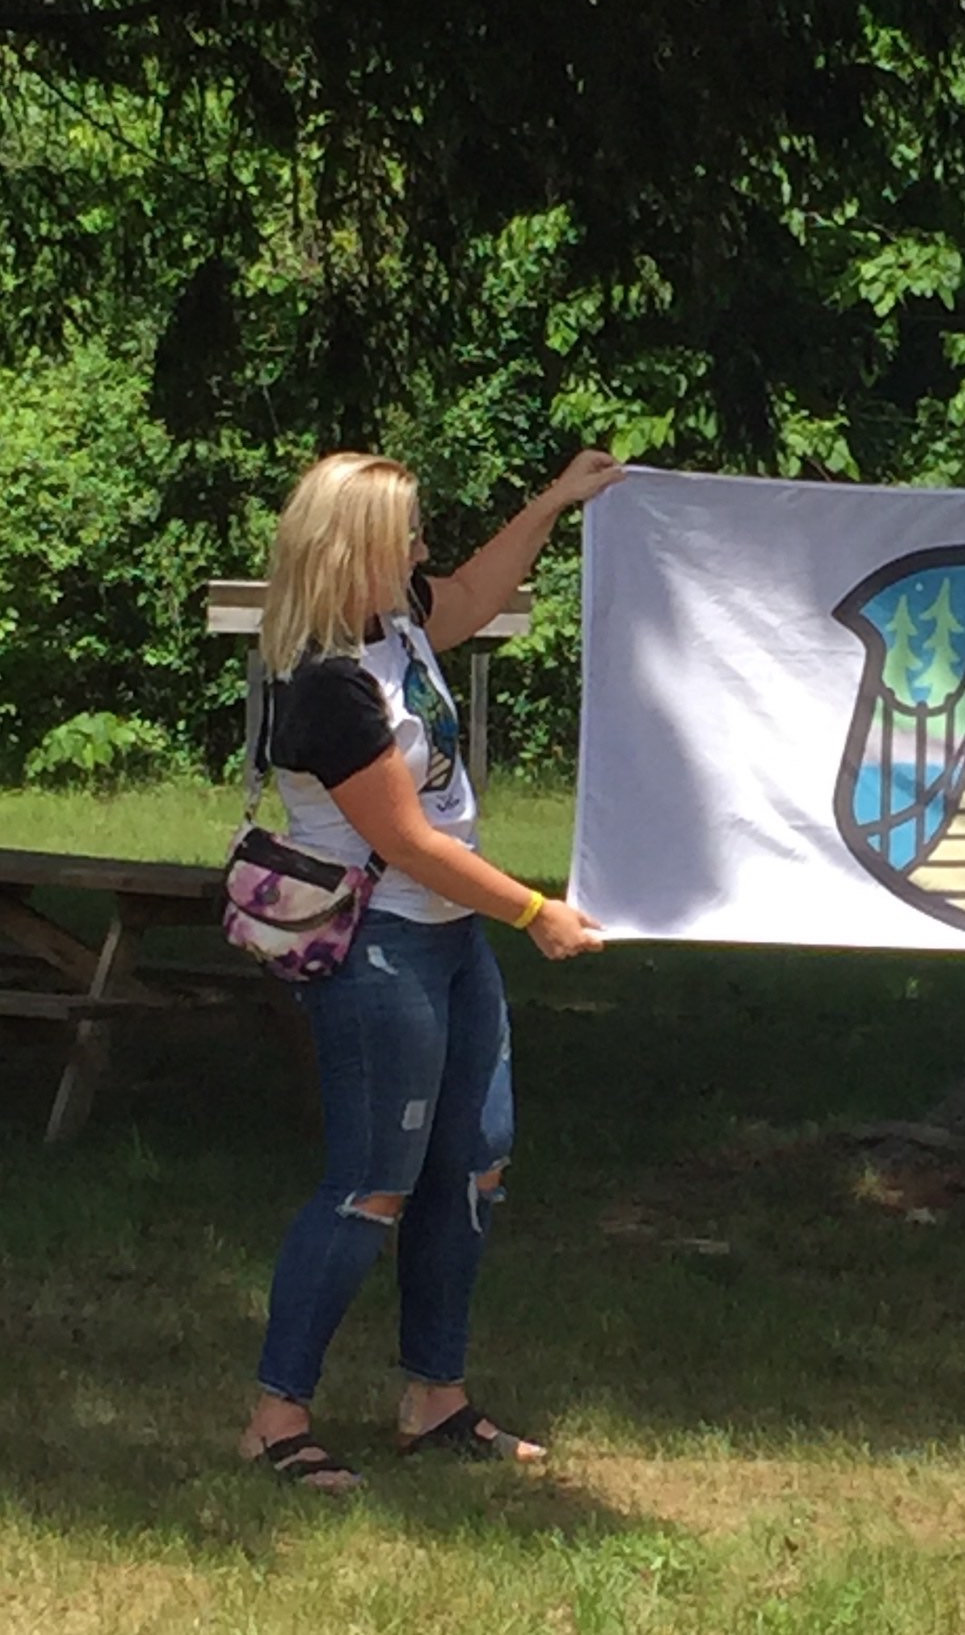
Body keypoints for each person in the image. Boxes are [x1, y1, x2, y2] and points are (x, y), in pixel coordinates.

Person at [237, 446, 622, 1491]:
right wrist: (536, 911)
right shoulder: (324, 685)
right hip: (380, 951)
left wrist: (552, 499)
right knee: (369, 1187)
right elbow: (405, 841)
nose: (420, 549)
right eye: (403, 534)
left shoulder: (395, 616)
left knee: (475, 1165)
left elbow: (469, 597)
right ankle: (276, 1417)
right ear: (353, 550)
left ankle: (433, 1401)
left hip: (448, 943)